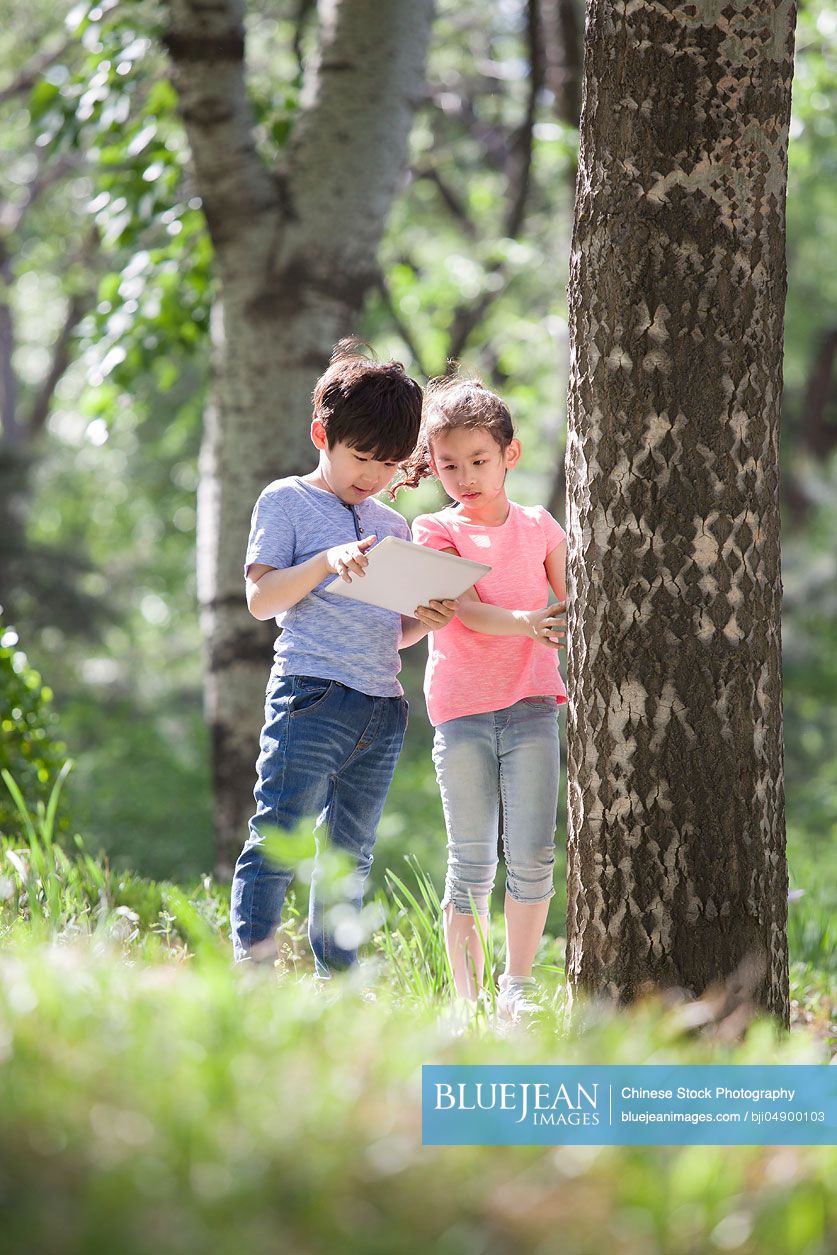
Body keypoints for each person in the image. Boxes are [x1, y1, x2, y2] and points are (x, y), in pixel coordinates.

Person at [230, 342, 457, 978]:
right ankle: (253, 974)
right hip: (312, 695)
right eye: (361, 458)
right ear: (321, 435)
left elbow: (394, 631)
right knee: (278, 837)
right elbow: (260, 598)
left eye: (389, 463)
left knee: (350, 853)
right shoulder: (285, 501)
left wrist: (424, 620)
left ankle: (339, 978)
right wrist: (325, 563)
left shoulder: (392, 524)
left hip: (382, 708)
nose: (373, 475)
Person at [399, 375, 567, 1022]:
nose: (465, 475)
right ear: (431, 465)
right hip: (462, 712)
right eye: (448, 464)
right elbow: (463, 611)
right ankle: (467, 1006)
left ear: (509, 456)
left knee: (531, 853)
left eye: (478, 460)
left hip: (531, 706)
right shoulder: (433, 527)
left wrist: (550, 618)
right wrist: (528, 621)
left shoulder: (538, 525)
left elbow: (570, 595)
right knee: (470, 860)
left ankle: (516, 990)